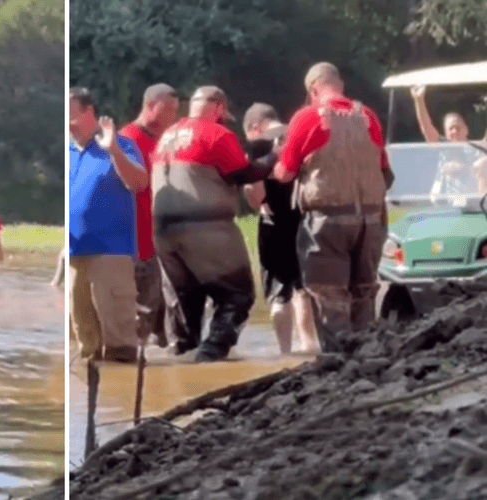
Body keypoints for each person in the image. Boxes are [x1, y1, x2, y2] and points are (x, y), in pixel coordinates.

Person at [151, 85, 279, 362]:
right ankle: (211, 358)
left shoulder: (167, 136)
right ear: (218, 108)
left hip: (162, 232)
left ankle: (181, 360)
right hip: (204, 227)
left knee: (186, 300)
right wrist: (276, 155)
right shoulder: (217, 134)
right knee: (238, 294)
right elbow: (245, 173)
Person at [273, 62, 395, 353]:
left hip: (326, 221)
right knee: (364, 293)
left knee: (329, 295)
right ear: (339, 85)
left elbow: (285, 173)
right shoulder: (367, 116)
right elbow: (384, 170)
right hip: (370, 220)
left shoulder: (305, 118)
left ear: (313, 90)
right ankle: (368, 356)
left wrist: (277, 161)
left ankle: (340, 363)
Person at [69, 86, 148, 364]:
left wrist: (113, 150)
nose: (67, 125)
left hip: (110, 252)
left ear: (89, 112)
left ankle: (121, 399)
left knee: (119, 340)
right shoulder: (66, 150)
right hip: (74, 253)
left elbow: (139, 183)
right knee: (86, 340)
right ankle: (94, 403)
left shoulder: (120, 144)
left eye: (71, 116)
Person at [241, 103, 318, 354]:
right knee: (302, 289)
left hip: (272, 223)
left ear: (254, 127)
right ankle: (309, 346)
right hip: (300, 219)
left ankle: (284, 353)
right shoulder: (292, 140)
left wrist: (259, 199)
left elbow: (256, 198)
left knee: (279, 293)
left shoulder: (254, 152)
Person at [119, 83, 180, 349]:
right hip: (134, 244)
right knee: (137, 318)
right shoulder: (126, 140)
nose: (172, 118)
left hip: (160, 244)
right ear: (150, 106)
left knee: (163, 321)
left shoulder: (163, 141)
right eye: (167, 110)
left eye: (175, 112)